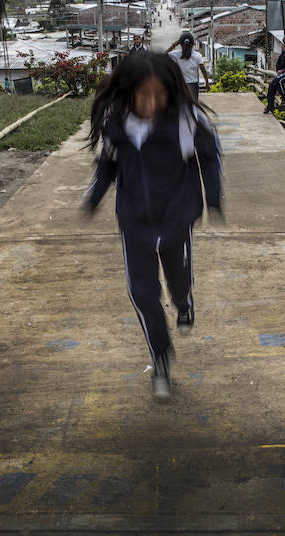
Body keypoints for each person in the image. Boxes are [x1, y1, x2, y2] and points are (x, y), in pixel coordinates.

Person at [83, 52, 223, 400]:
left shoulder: (185, 121)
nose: (151, 102)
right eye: (143, 94)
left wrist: (214, 197)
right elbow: (107, 166)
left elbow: (210, 155)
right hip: (134, 222)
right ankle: (160, 356)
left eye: (159, 94)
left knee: (176, 281)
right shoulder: (119, 125)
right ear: (128, 92)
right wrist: (93, 197)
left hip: (177, 218)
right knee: (142, 293)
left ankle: (184, 301)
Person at [166, 32, 210, 100]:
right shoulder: (197, 55)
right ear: (193, 44)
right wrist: (207, 83)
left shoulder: (176, 54)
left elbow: (163, 55)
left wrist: (174, 45)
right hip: (193, 86)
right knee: (193, 107)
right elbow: (203, 70)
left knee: (181, 107)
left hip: (180, 85)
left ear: (180, 44)